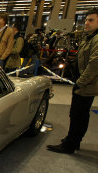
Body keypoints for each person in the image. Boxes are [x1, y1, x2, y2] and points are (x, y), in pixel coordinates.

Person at [47, 7, 98, 154]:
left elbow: (94, 65)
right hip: (83, 84)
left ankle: (71, 144)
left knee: (79, 115)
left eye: (91, 20)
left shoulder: (96, 39)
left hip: (86, 85)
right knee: (77, 114)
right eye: (86, 20)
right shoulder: (89, 37)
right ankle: (72, 140)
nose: (86, 23)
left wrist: (80, 83)